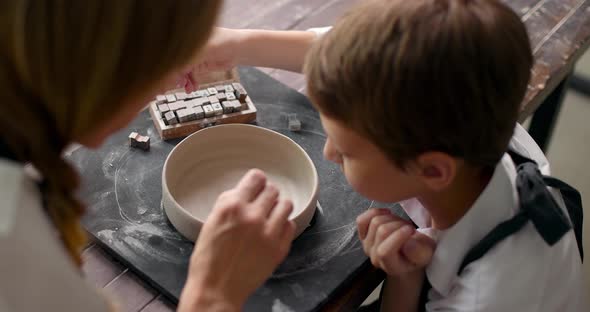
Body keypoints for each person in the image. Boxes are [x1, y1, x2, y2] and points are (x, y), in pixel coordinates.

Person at [190, 0, 588, 310]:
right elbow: (347, 57)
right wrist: (232, 44)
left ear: (432, 170)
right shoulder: (467, 119)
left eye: (346, 151)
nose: (328, 154)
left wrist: (403, 286)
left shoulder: (487, 297)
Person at [0, 1, 295, 311]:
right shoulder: (13, 242)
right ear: (102, 68)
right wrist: (212, 294)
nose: (175, 84)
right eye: (170, 59)